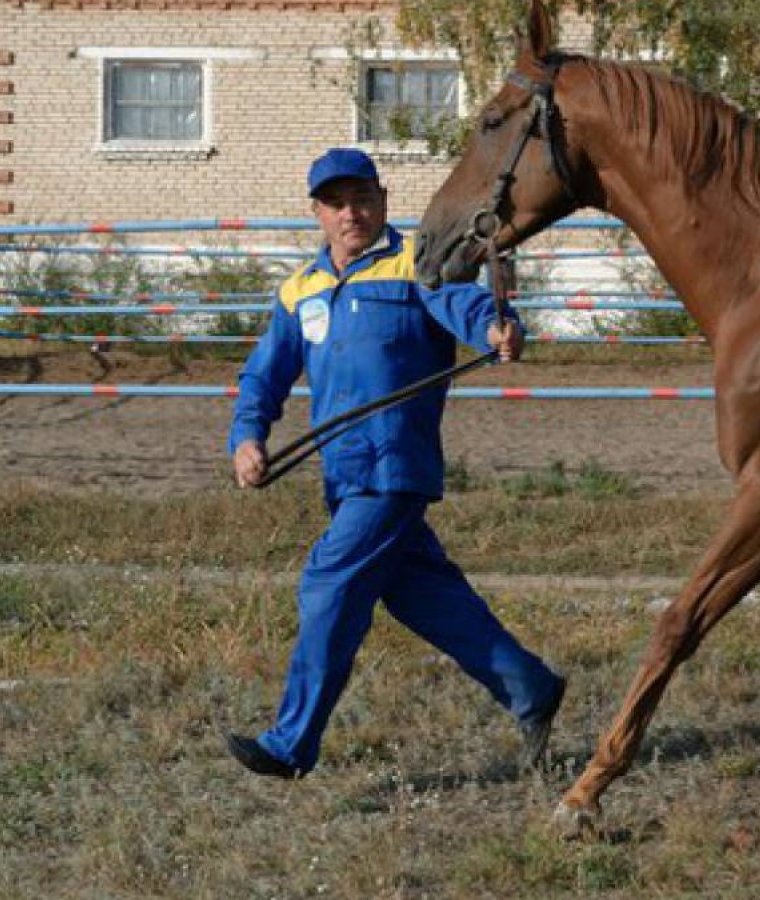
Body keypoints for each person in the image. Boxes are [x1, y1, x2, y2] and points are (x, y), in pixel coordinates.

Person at [225, 147, 564, 778]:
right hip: (344, 477)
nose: (350, 213)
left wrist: (496, 327)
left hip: (393, 469)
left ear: (381, 201)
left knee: (327, 585)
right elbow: (263, 375)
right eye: (336, 204)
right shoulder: (301, 289)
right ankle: (531, 688)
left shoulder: (418, 263)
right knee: (424, 597)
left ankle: (291, 745)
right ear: (318, 213)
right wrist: (248, 437)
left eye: (362, 200)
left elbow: (465, 308)